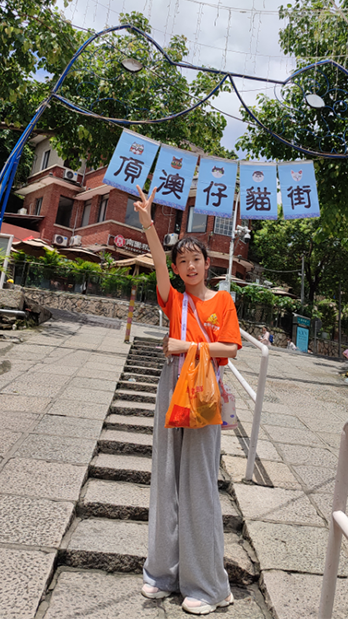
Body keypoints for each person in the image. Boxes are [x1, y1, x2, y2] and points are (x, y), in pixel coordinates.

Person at [134, 185, 241, 615]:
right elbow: (156, 260)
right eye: (183, 260)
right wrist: (147, 221)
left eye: (196, 259)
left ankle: (209, 586)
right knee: (165, 476)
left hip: (203, 390)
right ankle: (162, 573)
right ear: (177, 269)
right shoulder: (173, 299)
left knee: (198, 482)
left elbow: (231, 348)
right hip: (170, 385)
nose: (189, 265)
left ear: (207, 264)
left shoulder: (223, 301)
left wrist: (186, 347)